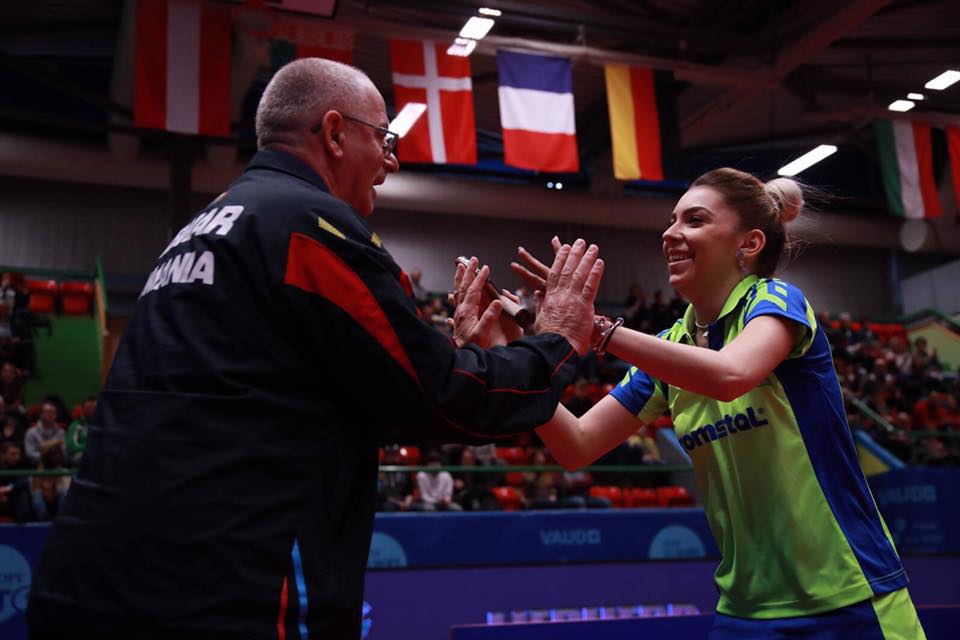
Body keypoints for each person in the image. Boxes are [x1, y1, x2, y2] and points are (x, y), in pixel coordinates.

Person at [28, 58, 603, 639]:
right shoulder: (310, 227)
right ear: (334, 133)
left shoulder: (199, 228)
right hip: (224, 593)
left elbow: (299, 398)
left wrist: (451, 351)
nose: (391, 161)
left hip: (87, 579)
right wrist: (555, 339)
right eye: (384, 139)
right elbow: (443, 397)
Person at [496, 168, 925, 638]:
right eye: (671, 220)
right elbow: (576, 445)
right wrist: (512, 361)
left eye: (694, 221)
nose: (670, 233)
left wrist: (597, 330)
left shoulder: (776, 302)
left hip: (851, 597)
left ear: (750, 243)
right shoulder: (670, 345)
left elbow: (731, 375)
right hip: (746, 612)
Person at [23, 401, 66, 468]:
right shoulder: (31, 432)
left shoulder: (61, 432)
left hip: (56, 466)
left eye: (53, 412)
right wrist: (46, 458)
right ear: (41, 414)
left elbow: (64, 451)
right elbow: (29, 453)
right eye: (47, 412)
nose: (50, 415)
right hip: (36, 466)